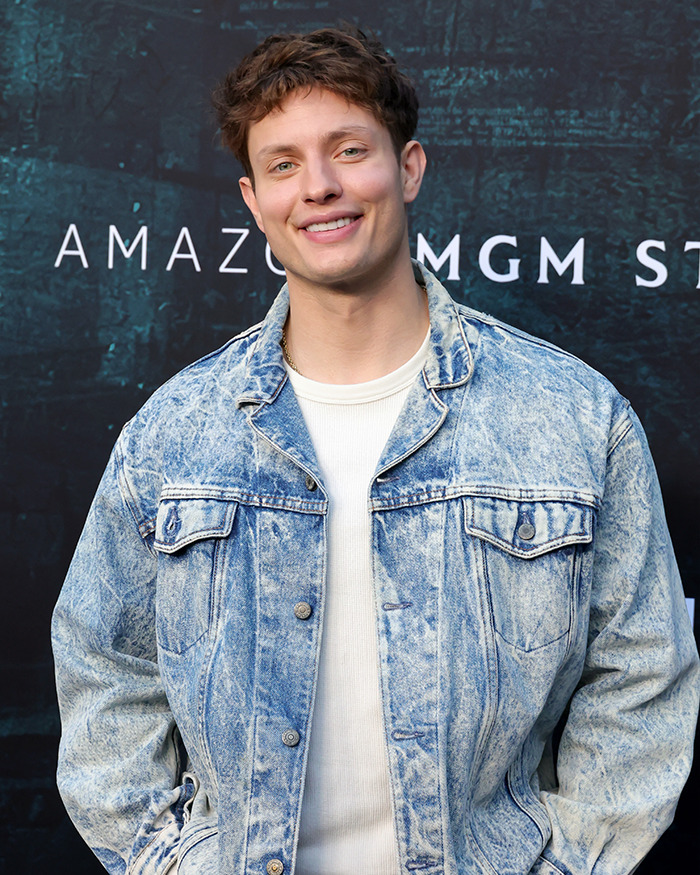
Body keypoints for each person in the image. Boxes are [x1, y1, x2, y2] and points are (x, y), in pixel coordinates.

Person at [52, 25, 699, 875]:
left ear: (410, 167)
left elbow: (643, 676)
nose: (318, 187)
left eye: (348, 149)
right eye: (283, 164)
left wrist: (570, 866)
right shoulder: (172, 435)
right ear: (253, 201)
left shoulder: (575, 416)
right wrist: (168, 861)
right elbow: (105, 671)